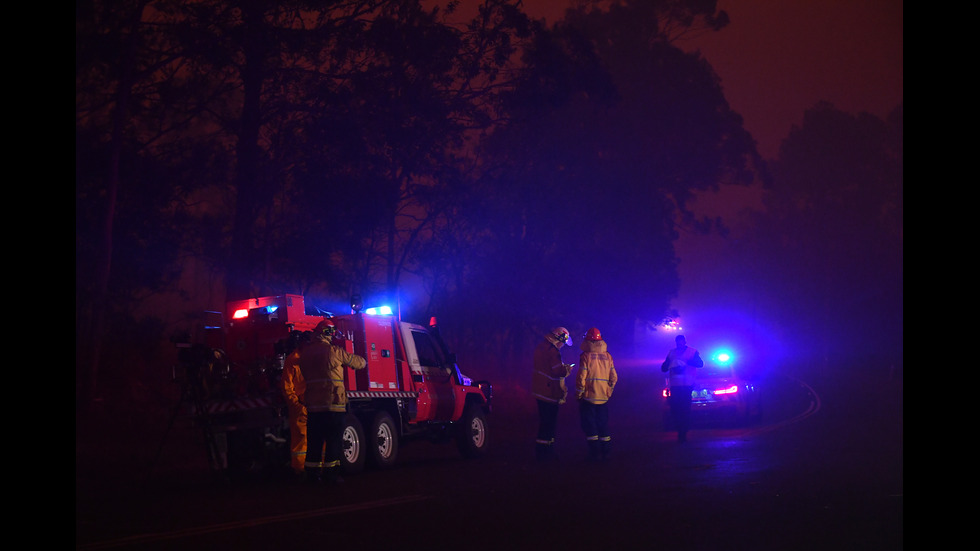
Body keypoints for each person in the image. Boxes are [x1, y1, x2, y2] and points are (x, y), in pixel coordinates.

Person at [299, 318, 367, 484]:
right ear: (327, 333)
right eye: (331, 331)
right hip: (333, 405)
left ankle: (312, 476)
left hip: (314, 408)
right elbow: (360, 363)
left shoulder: (305, 353)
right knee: (333, 442)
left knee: (314, 443)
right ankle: (331, 475)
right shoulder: (334, 351)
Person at [575, 327, 618, 461]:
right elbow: (614, 377)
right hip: (603, 397)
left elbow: (581, 377)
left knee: (590, 426)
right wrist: (608, 390)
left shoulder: (585, 356)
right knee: (603, 424)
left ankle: (594, 454)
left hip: (588, 397)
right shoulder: (608, 356)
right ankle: (606, 453)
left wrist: (579, 394)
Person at [532, 327, 573, 461]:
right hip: (549, 392)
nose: (562, 346)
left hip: (539, 390)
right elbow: (557, 371)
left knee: (544, 422)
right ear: (559, 339)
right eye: (563, 343)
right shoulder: (553, 352)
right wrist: (567, 369)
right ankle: (546, 453)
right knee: (549, 423)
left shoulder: (541, 347)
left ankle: (541, 451)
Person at [280, 330, 313, 478]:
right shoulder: (293, 360)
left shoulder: (312, 357)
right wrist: (297, 406)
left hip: (315, 405)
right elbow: (287, 387)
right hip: (302, 406)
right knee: (301, 440)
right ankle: (300, 470)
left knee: (320, 438)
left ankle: (320, 467)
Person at [660, 334, 704, 442]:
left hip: (687, 385)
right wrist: (671, 364)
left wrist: (686, 362)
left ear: (684, 342)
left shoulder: (692, 352)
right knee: (676, 410)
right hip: (675, 386)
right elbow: (664, 368)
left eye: (681, 341)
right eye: (677, 342)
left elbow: (700, 364)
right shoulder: (672, 353)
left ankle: (683, 432)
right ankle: (680, 430)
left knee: (684, 410)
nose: (679, 343)